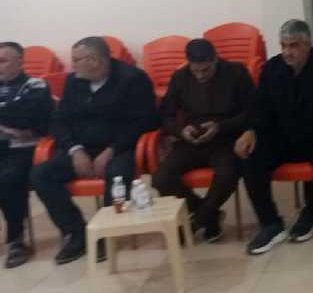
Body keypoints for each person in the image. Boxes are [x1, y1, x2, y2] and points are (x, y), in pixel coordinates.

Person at [236, 20, 313, 255]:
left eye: (293, 45)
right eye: (283, 45)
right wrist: (250, 130)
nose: (287, 52)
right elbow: (259, 107)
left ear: (307, 45)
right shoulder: (272, 69)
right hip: (282, 138)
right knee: (251, 158)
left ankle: (311, 215)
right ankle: (271, 224)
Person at [31, 37, 158, 264]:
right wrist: (75, 150)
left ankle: (106, 234)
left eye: (76, 60)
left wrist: (112, 150)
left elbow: (143, 122)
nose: (72, 65)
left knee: (116, 173)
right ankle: (77, 233)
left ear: (95, 60)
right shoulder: (74, 82)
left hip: (121, 147)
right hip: (82, 149)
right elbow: (59, 120)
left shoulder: (133, 79)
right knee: (40, 174)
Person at [151, 39, 253, 243]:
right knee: (161, 178)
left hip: (226, 137)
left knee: (227, 175)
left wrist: (220, 127)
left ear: (215, 59)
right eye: (195, 71)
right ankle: (210, 216)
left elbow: (253, 112)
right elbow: (165, 115)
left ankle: (196, 222)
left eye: (205, 70)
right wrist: (180, 131)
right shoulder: (181, 76)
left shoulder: (236, 73)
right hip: (192, 139)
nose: (200, 76)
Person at [0, 42, 54, 268]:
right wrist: (9, 121)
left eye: (3, 61)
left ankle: (16, 241)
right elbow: (14, 115)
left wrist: (11, 118)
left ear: (20, 62)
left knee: (8, 178)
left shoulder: (35, 85)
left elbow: (27, 118)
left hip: (23, 149)